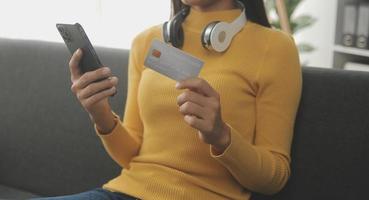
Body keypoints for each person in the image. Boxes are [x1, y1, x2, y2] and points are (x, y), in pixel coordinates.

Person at [34, 0, 302, 199]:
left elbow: (275, 177)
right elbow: (132, 156)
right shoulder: (147, 41)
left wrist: (221, 136)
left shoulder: (275, 48)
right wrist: (100, 114)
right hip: (124, 192)